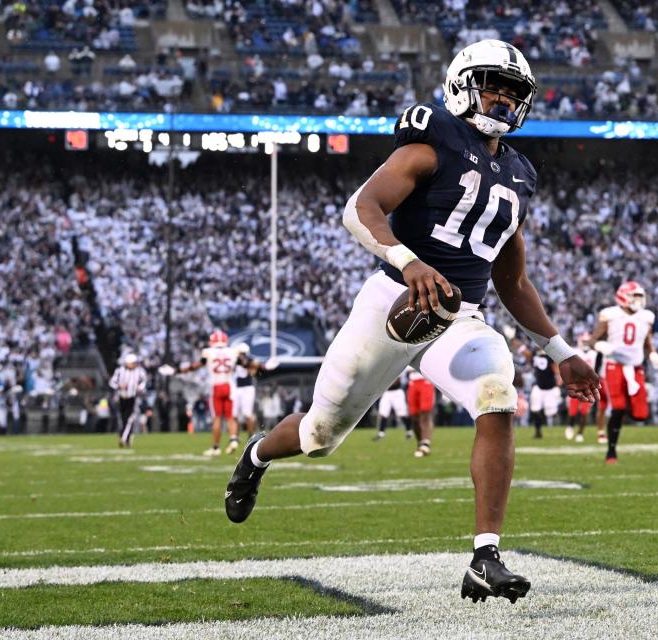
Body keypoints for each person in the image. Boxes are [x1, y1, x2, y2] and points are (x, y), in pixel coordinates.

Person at [222, 38, 599, 604]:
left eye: (512, 91)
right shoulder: (434, 140)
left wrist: (560, 351)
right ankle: (255, 456)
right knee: (319, 435)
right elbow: (360, 208)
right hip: (392, 302)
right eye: (491, 85)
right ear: (461, 85)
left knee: (498, 395)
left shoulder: (519, 173)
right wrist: (409, 260)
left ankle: (485, 555)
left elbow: (512, 281)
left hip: (457, 317)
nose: (501, 99)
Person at [590, 281, 658, 462]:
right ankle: (611, 451)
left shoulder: (646, 317)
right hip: (614, 365)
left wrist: (652, 354)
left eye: (640, 296)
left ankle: (624, 413)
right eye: (635, 296)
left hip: (636, 367)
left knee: (641, 414)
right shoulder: (611, 315)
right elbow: (592, 340)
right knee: (618, 407)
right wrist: (600, 345)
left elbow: (647, 342)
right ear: (624, 296)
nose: (639, 300)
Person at [174, 329, 242, 456]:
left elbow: (196, 366)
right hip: (230, 386)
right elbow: (245, 363)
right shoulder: (233, 351)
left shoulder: (208, 352)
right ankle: (233, 439)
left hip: (216, 386)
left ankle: (215, 448)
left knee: (216, 418)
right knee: (230, 417)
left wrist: (177, 370)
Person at [231, 343, 277, 437]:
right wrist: (264, 367)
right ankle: (235, 437)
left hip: (247, 388)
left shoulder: (248, 360)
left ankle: (250, 436)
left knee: (247, 414)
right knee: (234, 415)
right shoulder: (238, 360)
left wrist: (264, 367)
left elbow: (248, 364)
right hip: (236, 388)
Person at [565, 333, 598, 443]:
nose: (584, 344)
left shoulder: (594, 354)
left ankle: (580, 433)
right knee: (572, 410)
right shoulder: (575, 352)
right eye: (583, 341)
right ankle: (570, 425)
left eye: (586, 341)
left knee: (584, 411)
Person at [108, 353, 146, 447]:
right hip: (121, 397)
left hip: (132, 397)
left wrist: (139, 387)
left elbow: (144, 381)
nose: (134, 364)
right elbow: (112, 382)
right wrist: (119, 386)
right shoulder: (120, 371)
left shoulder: (139, 371)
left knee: (129, 419)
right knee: (124, 419)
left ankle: (123, 438)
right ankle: (128, 439)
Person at [528, 347, 561, 439]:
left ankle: (557, 426)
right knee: (535, 409)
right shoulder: (535, 353)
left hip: (550, 388)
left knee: (551, 412)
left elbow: (555, 367)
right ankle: (538, 431)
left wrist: (558, 378)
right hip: (539, 386)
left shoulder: (549, 355)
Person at [407, 367, 435, 456]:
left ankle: (425, 443)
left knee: (425, 412)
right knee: (414, 416)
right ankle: (420, 444)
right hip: (412, 382)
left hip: (425, 379)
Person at [374, 375, 411, 440]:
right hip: (387, 392)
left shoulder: (395, 367)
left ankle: (409, 431)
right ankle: (381, 433)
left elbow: (396, 381)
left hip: (397, 392)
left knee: (402, 414)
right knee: (383, 412)